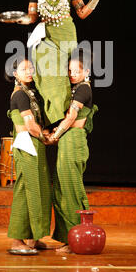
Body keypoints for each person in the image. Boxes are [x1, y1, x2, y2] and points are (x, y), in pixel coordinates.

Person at [26, 0, 108, 127]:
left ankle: (65, 122)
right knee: (48, 74)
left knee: (65, 76)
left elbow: (82, 13)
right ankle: (53, 120)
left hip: (66, 35)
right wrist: (22, 20)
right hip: (45, 36)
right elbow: (32, 16)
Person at [48, 50, 98, 253]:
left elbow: (70, 118)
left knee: (72, 191)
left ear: (86, 71)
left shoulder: (84, 89)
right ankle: (69, 237)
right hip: (66, 143)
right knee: (60, 190)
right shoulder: (74, 89)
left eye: (76, 70)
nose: (71, 74)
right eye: (69, 70)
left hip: (73, 141)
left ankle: (79, 238)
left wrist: (54, 136)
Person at [6, 57, 52, 255]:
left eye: (31, 67)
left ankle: (34, 238)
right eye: (24, 69)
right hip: (27, 144)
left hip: (36, 145)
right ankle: (17, 240)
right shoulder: (20, 95)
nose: (29, 71)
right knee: (25, 190)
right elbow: (31, 127)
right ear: (15, 74)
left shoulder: (31, 93)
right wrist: (47, 138)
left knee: (39, 189)